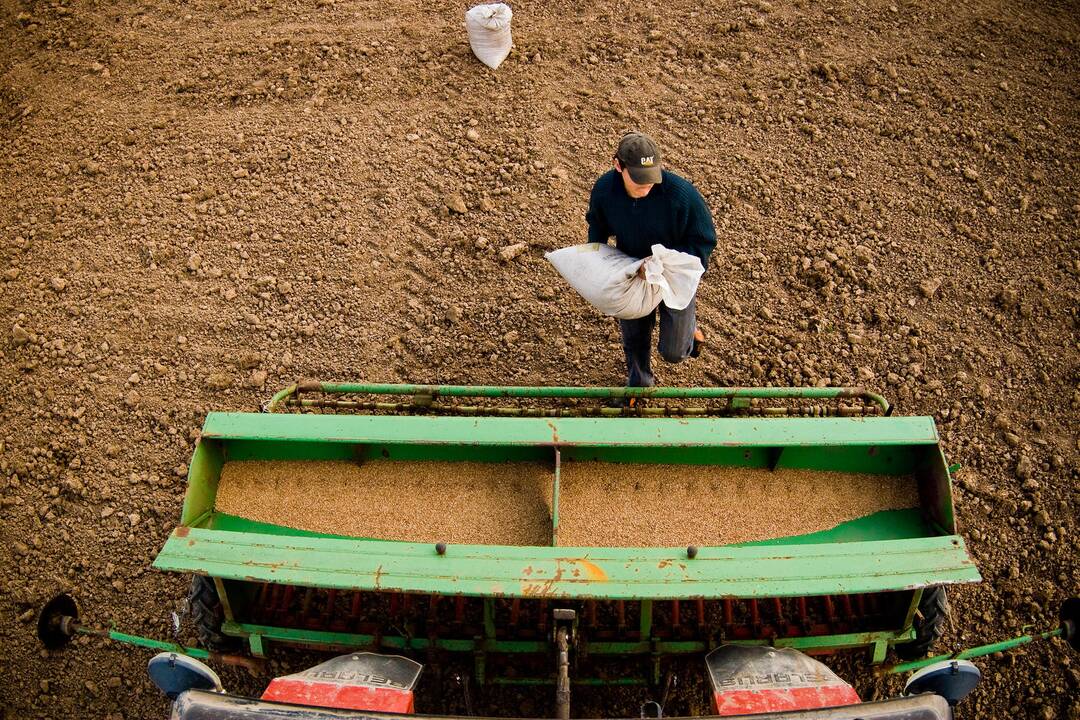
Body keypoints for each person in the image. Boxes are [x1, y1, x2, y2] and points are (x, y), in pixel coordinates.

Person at [585, 132, 717, 388]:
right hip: (633, 271)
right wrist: (596, 265)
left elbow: (704, 240)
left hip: (674, 274)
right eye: (638, 179)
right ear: (618, 166)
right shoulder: (605, 191)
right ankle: (640, 383)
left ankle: (687, 331)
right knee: (634, 335)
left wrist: (662, 264)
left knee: (674, 353)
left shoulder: (681, 195)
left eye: (650, 178)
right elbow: (597, 228)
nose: (646, 186)